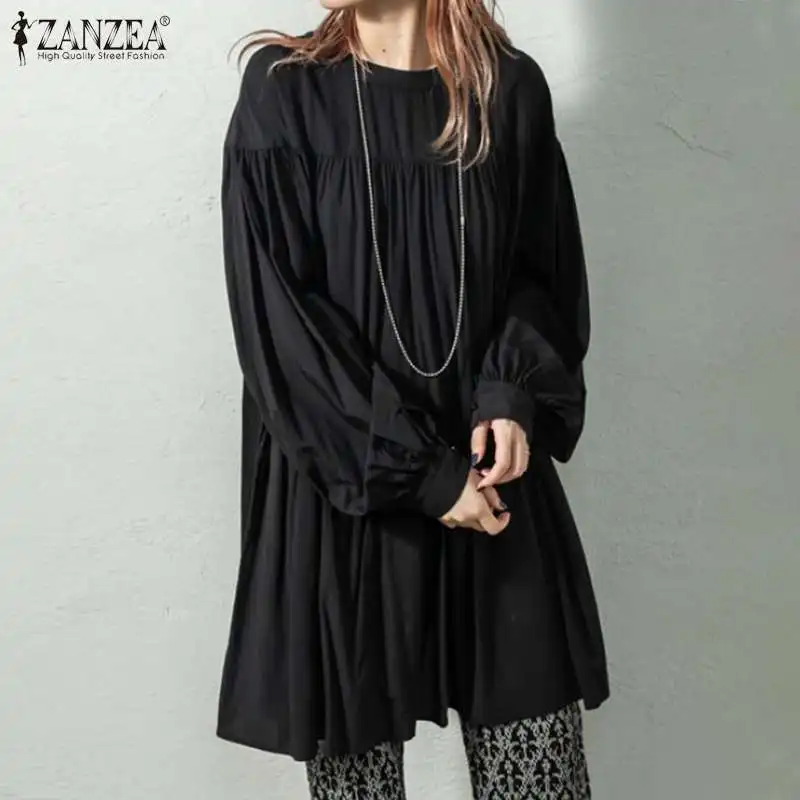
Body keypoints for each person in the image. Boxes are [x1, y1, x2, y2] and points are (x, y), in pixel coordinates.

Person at [216, 1, 610, 797]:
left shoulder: (507, 91)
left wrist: (512, 392)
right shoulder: (284, 92)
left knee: (540, 777)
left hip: (492, 486)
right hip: (350, 492)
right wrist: (423, 475)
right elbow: (280, 331)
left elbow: (541, 272)